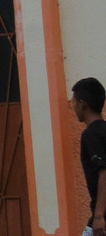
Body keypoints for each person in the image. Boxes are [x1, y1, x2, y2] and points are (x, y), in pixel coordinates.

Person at [74, 77, 106, 236]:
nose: (73, 107)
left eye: (74, 102)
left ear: (82, 104)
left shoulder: (91, 134)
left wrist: (99, 216)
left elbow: (104, 172)